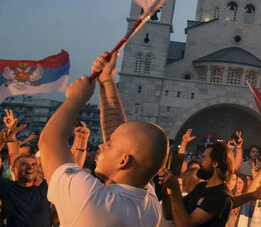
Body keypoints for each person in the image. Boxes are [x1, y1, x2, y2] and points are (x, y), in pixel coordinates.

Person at [39, 52, 168, 226]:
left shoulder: (91, 200)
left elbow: (50, 141)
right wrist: (107, 81)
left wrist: (76, 98)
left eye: (109, 144)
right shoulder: (149, 205)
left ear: (123, 161)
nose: (101, 145)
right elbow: (125, 138)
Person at [161, 142, 234, 227]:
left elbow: (185, 224)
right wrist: (167, 192)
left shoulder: (221, 195)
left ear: (215, 164)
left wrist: (175, 187)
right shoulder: (201, 187)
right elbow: (169, 214)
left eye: (203, 158)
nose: (199, 161)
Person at [0, 120, 51, 227]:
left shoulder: (45, 188)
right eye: (24, 164)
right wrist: (2, 140)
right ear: (13, 169)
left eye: (33, 164)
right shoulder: (6, 187)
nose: (30, 167)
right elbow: (13, 154)